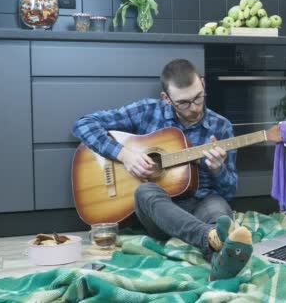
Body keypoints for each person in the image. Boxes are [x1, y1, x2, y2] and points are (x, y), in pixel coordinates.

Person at [72, 59, 252, 280]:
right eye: (183, 103)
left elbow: (229, 191)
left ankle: (218, 260)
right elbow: (83, 124)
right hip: (159, 212)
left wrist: (218, 169)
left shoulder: (220, 126)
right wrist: (124, 155)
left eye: (198, 98)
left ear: (203, 85)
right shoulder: (147, 111)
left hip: (202, 205)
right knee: (144, 192)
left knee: (220, 208)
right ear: (166, 99)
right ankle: (209, 238)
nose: (194, 108)